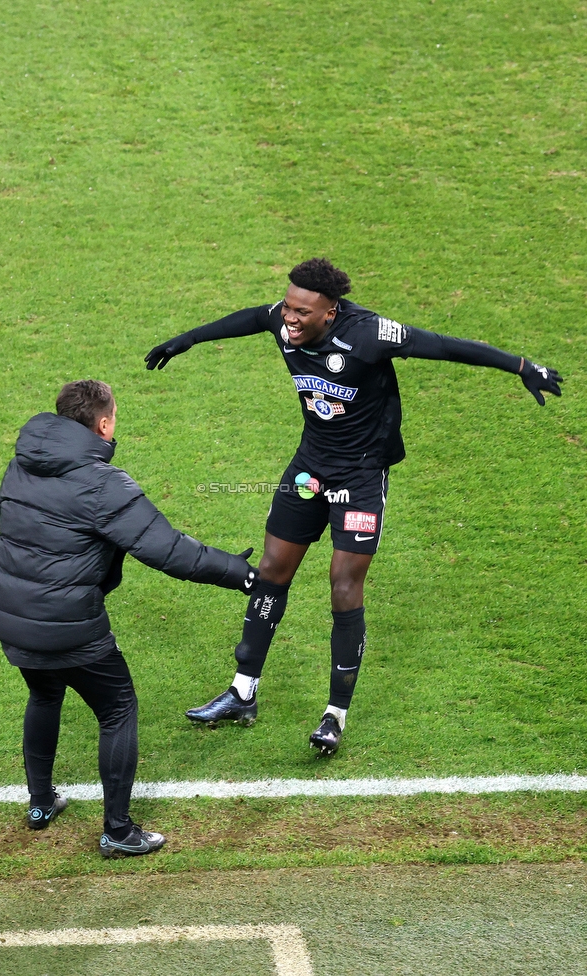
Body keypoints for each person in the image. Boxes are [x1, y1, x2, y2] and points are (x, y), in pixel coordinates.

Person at [145, 258, 563, 756]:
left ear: (331, 312)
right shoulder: (283, 318)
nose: (289, 319)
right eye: (288, 308)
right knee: (272, 570)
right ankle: (242, 692)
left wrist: (519, 365)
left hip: (361, 475)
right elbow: (252, 318)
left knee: (343, 584)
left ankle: (334, 716)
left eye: (302, 312)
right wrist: (187, 339)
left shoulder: (370, 334)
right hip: (309, 468)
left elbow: (447, 347)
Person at [0, 380, 258, 856]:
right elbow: (169, 551)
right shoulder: (103, 484)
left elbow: (5, 520)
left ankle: (39, 803)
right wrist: (239, 572)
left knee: (44, 692)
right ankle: (117, 832)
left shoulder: (21, 463)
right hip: (69, 624)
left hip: (12, 616)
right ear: (104, 423)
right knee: (118, 709)